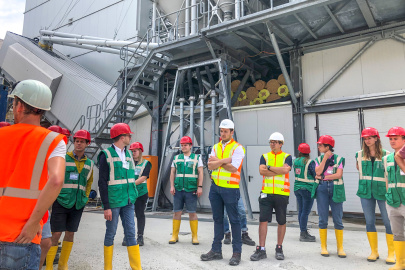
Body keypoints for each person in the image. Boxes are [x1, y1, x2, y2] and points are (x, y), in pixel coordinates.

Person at [0, 80, 66, 270]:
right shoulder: (53, 141)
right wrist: (33, 223)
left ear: (19, 105)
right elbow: (56, 180)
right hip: (22, 235)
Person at [45, 130, 94, 270]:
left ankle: (62, 265)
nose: (79, 143)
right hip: (61, 201)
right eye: (77, 141)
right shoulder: (64, 159)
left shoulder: (89, 164)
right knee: (56, 233)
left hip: (78, 203)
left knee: (70, 233)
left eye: (82, 141)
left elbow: (89, 182)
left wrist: (85, 197)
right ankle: (49, 267)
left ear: (87, 144)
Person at [201, 119, 245, 266]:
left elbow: (234, 168)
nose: (223, 133)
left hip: (231, 189)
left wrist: (218, 161)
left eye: (226, 131)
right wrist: (225, 160)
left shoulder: (238, 148)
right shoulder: (215, 147)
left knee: (234, 220)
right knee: (218, 219)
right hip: (215, 188)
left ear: (232, 132)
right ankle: (216, 250)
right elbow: (210, 164)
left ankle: (236, 253)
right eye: (221, 131)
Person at [98, 123, 141, 270]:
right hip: (114, 201)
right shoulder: (106, 155)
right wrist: (106, 206)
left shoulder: (128, 154)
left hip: (128, 200)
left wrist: (134, 195)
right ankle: (108, 268)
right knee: (111, 233)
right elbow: (102, 182)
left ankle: (136, 268)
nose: (130, 137)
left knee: (131, 233)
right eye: (129, 135)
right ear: (122, 137)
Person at [250, 132, 292, 262]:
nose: (272, 144)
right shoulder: (264, 156)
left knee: (281, 221)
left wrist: (269, 168)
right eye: (271, 142)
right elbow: (261, 171)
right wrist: (276, 170)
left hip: (281, 194)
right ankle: (261, 249)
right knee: (263, 220)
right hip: (266, 193)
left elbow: (286, 170)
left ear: (281, 144)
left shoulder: (287, 156)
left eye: (274, 142)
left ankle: (279, 248)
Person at [356, 127, 394, 264]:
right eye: (365, 138)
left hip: (383, 192)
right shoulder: (359, 155)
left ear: (376, 138)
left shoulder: (387, 154)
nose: (367, 140)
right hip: (365, 192)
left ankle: (391, 253)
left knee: (388, 222)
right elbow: (359, 169)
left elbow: (390, 175)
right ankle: (374, 252)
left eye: (370, 138)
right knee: (370, 221)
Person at [312, 135, 346, 258]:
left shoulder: (339, 159)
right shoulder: (318, 159)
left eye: (321, 145)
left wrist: (322, 177)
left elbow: (338, 175)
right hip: (322, 189)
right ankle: (324, 247)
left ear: (328, 147)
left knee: (338, 218)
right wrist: (325, 158)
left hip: (336, 189)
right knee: (322, 218)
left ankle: (340, 247)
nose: (318, 146)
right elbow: (317, 172)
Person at [169, 136, 203, 245]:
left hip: (191, 189)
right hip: (178, 188)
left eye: (185, 145)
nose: (183, 147)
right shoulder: (177, 158)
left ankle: (194, 236)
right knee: (176, 212)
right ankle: (175, 235)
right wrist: (172, 186)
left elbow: (201, 173)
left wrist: (200, 187)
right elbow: (172, 173)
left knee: (192, 213)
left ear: (190, 146)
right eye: (182, 145)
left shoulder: (197, 158)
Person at [122, 142, 151, 247]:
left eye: (135, 151)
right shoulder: (126, 162)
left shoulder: (146, 163)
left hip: (140, 193)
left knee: (139, 214)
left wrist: (130, 184)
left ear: (140, 151)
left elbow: (143, 177)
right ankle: (127, 236)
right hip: (128, 193)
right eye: (132, 151)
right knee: (127, 215)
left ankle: (140, 236)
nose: (133, 153)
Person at [384, 126, 405, 270]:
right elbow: (387, 179)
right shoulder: (386, 158)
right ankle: (400, 263)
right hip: (392, 200)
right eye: (390, 139)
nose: (392, 141)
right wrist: (387, 195)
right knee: (397, 233)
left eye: (395, 138)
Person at [293, 143, 316, 242]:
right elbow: (315, 174)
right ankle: (303, 234)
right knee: (305, 212)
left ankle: (303, 231)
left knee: (301, 211)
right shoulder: (310, 162)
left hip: (297, 188)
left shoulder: (295, 161)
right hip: (307, 189)